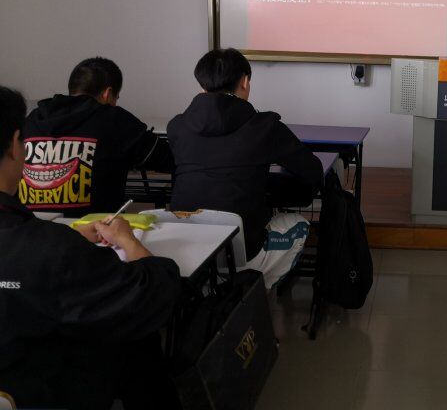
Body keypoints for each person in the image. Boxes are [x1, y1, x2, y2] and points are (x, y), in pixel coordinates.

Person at [0, 86, 182, 409]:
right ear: (16, 145)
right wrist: (128, 241)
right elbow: (150, 296)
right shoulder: (49, 250)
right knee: (135, 341)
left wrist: (63, 239)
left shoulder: (45, 243)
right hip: (37, 389)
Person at [168, 48, 324, 289]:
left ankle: (213, 290)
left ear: (203, 85)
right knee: (299, 225)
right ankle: (252, 294)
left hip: (186, 249)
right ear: (244, 81)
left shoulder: (177, 127)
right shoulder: (265, 126)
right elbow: (312, 171)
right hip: (243, 250)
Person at [19, 56, 173, 215]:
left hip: (29, 226)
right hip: (96, 228)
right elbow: (169, 158)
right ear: (108, 93)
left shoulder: (32, 119)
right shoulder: (115, 119)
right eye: (116, 98)